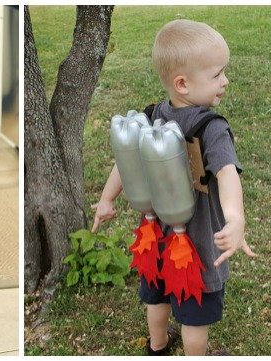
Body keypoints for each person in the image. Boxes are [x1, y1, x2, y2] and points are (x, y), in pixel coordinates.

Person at [91, 19, 256, 356]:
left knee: (159, 294)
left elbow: (125, 160)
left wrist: (108, 199)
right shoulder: (212, 128)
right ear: (182, 83)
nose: (225, 81)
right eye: (216, 74)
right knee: (194, 318)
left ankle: (158, 345)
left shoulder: (152, 116)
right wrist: (235, 220)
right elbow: (227, 173)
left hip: (155, 237)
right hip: (196, 246)